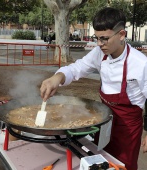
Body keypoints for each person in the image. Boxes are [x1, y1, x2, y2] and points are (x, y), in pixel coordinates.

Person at [40, 7, 147, 170]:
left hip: (128, 128)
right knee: (99, 161)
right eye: (96, 38)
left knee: (123, 166)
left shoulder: (140, 63)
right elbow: (77, 68)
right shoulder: (99, 53)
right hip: (104, 119)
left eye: (104, 39)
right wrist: (58, 77)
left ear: (122, 35)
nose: (99, 44)